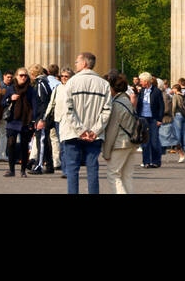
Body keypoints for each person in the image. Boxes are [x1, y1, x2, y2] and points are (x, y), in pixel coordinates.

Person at [59, 52, 112, 194]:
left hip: (72, 133)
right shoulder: (104, 84)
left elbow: (68, 109)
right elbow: (107, 111)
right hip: (94, 135)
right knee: (92, 169)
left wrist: (80, 130)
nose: (75, 64)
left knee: (72, 169)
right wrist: (94, 130)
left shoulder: (71, 82)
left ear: (84, 64)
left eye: (77, 62)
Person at [100, 71, 139, 193]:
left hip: (120, 144)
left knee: (113, 174)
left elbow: (112, 130)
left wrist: (106, 152)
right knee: (126, 176)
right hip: (131, 143)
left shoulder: (116, 104)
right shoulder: (127, 101)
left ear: (112, 88)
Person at [2, 67, 37, 177]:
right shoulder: (11, 89)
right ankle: (11, 169)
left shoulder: (31, 90)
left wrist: (34, 120)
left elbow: (35, 106)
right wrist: (10, 99)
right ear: (16, 77)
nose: (23, 77)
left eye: (25, 76)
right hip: (13, 119)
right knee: (11, 143)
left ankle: (22, 170)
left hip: (25, 120)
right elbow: (3, 103)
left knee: (24, 145)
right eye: (21, 75)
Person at [135, 72, 165, 169]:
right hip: (143, 118)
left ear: (146, 81)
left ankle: (156, 161)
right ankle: (146, 161)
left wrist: (159, 119)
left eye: (141, 81)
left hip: (153, 118)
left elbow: (161, 106)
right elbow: (139, 105)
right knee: (145, 142)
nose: (140, 82)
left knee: (154, 141)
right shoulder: (142, 91)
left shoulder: (156, 91)